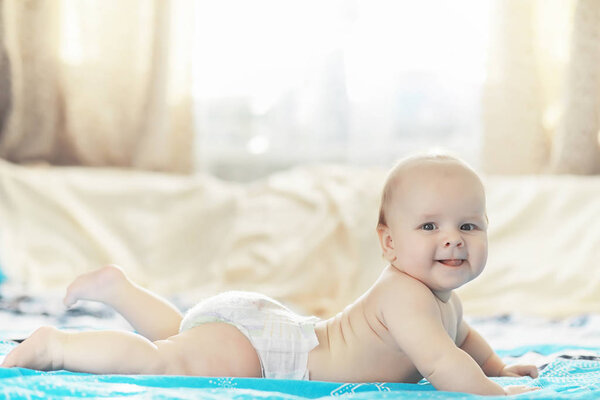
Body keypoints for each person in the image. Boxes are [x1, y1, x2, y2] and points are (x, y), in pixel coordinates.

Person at [1, 153, 540, 395]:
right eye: (430, 225)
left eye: (469, 224)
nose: (453, 238)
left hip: (272, 331)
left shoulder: (443, 302)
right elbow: (444, 363)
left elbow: (463, 341)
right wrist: (492, 394)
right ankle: (56, 346)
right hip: (271, 356)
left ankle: (121, 290)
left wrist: (497, 367)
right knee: (164, 360)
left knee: (181, 341)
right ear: (389, 242)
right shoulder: (406, 296)